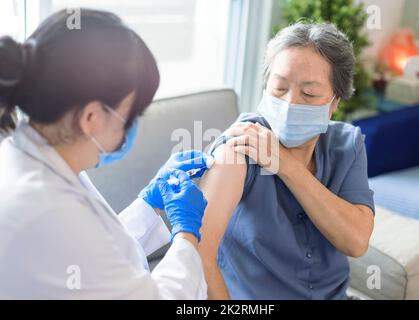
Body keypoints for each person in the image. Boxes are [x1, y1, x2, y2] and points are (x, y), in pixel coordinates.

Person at [0, 9, 211, 299]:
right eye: (133, 113)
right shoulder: (48, 207)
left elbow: (94, 260)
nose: (134, 125)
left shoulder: (26, 157)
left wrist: (149, 205)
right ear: (91, 117)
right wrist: (186, 233)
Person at [198, 22, 375, 300]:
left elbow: (356, 241)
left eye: (309, 93)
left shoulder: (346, 144)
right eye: (279, 88)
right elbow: (198, 254)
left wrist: (287, 165)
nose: (291, 103)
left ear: (333, 103)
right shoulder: (240, 147)